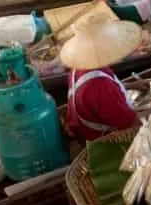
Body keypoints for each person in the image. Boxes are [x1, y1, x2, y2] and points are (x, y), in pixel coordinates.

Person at [60, 13, 143, 142]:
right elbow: (131, 123)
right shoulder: (101, 85)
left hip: (83, 131)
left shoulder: (81, 66)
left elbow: (96, 97)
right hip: (103, 141)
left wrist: (132, 85)